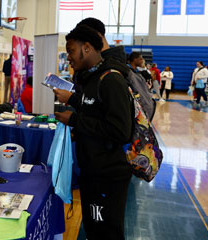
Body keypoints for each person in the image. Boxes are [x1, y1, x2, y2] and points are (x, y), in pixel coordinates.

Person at [54, 25, 132, 239]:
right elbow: (94, 111)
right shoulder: (91, 80)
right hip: (92, 171)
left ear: (86, 48)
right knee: (94, 231)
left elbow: (120, 131)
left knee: (106, 233)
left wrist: (76, 121)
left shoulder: (111, 80)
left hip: (107, 175)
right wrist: (72, 105)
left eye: (70, 51)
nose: (68, 57)